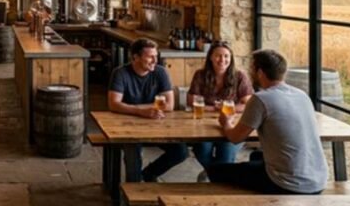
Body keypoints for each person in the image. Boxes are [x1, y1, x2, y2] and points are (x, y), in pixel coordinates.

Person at [207, 49, 328, 194]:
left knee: (215, 170)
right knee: (256, 157)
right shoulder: (302, 95)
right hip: (318, 180)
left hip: (286, 184)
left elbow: (235, 138)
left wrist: (226, 122)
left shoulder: (260, 99)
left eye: (252, 68)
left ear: (260, 73)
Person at [108, 38, 188, 182]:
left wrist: (140, 109)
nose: (154, 60)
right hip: (127, 126)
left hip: (156, 124)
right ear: (135, 57)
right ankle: (133, 189)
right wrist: (141, 111)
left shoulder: (160, 72)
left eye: (155, 56)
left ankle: (149, 173)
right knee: (133, 154)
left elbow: (169, 105)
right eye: (150, 56)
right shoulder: (120, 73)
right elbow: (114, 104)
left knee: (180, 151)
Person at [187, 41, 253, 171]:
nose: (222, 60)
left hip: (233, 123)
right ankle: (215, 176)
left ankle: (216, 178)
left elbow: (248, 104)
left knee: (226, 155)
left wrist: (225, 109)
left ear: (231, 58)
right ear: (211, 57)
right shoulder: (200, 74)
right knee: (202, 150)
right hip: (203, 124)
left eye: (226, 56)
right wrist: (216, 108)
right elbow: (191, 100)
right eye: (218, 55)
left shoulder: (239, 76)